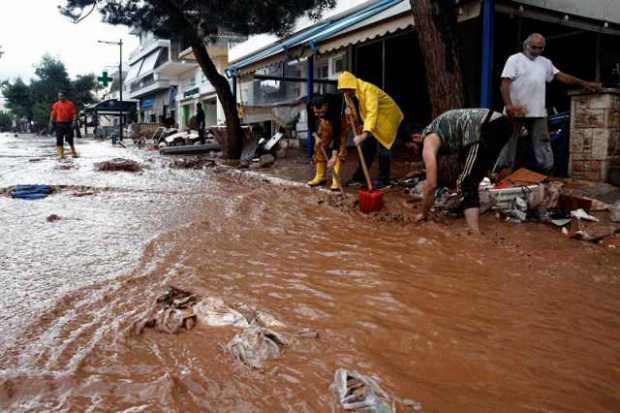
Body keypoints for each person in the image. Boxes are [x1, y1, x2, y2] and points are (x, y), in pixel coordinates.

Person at [498, 33, 601, 173]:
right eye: (534, 47)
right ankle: (501, 173)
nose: (536, 50)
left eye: (540, 48)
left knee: (543, 143)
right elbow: (505, 83)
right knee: (509, 143)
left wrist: (584, 83)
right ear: (526, 45)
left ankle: (546, 174)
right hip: (516, 110)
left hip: (538, 112)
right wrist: (509, 105)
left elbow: (561, 76)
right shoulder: (514, 60)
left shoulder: (545, 62)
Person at [415, 109, 514, 234]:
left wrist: (424, 214)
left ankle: (474, 235)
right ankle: (493, 218)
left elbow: (431, 185)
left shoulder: (428, 141)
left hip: (485, 127)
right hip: (501, 124)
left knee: (465, 182)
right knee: (476, 176)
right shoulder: (444, 131)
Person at [337, 71, 404, 189]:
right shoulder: (348, 94)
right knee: (367, 148)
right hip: (371, 120)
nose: (346, 93)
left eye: (347, 89)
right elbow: (355, 111)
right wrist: (350, 115)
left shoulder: (368, 90)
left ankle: (384, 181)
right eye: (343, 90)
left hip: (386, 118)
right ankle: (360, 178)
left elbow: (371, 113)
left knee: (384, 148)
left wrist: (364, 135)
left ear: (352, 85)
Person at [307, 94, 349, 190]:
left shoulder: (336, 107)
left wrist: (333, 156)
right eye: (316, 113)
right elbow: (310, 123)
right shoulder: (310, 105)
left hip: (341, 124)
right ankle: (320, 176)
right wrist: (316, 137)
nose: (319, 115)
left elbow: (337, 135)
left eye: (321, 112)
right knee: (318, 147)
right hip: (325, 124)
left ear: (326, 106)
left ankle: (336, 180)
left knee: (340, 151)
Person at [49, 91, 78, 159]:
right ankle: (61, 155)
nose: (60, 97)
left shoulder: (70, 104)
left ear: (65, 96)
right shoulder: (55, 105)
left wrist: (74, 122)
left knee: (70, 138)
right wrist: (50, 122)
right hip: (59, 124)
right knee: (59, 139)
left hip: (68, 123)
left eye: (62, 96)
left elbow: (74, 114)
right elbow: (53, 114)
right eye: (59, 96)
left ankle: (73, 152)